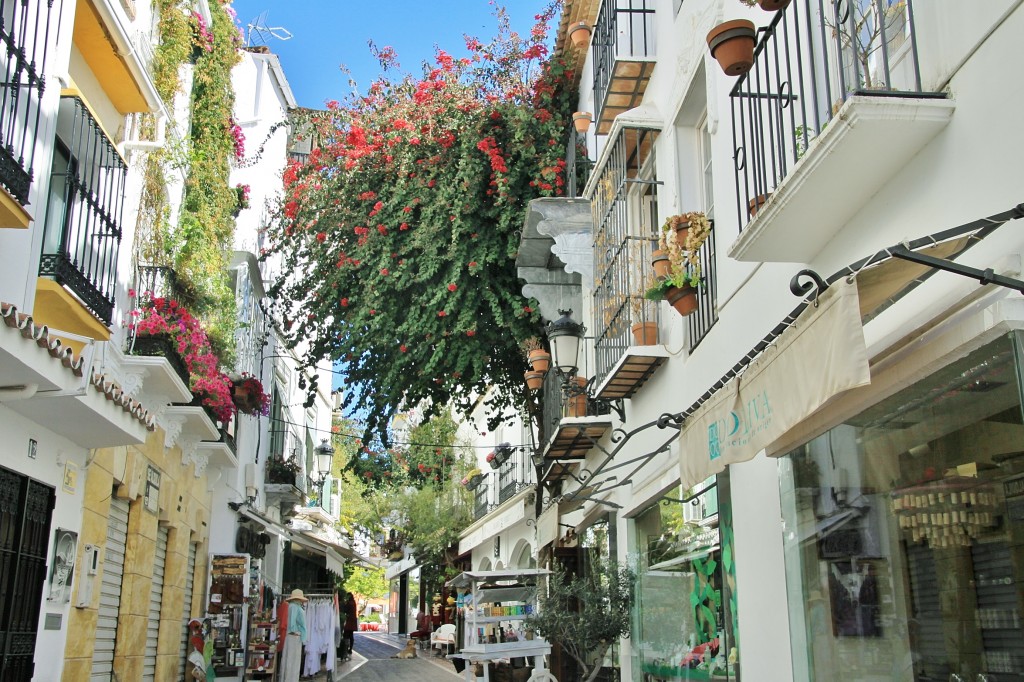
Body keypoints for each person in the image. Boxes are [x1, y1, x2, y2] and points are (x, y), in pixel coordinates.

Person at [281, 589, 308, 682]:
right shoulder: (294, 607)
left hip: (293, 636)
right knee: (293, 661)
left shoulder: (292, 606)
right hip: (294, 636)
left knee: (290, 660)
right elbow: (293, 623)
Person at [342, 593, 358, 661]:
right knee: (351, 635)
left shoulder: (349, 603)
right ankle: (350, 649)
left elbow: (345, 609)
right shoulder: (353, 602)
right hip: (353, 620)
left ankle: (346, 649)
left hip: (349, 621)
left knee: (346, 635)